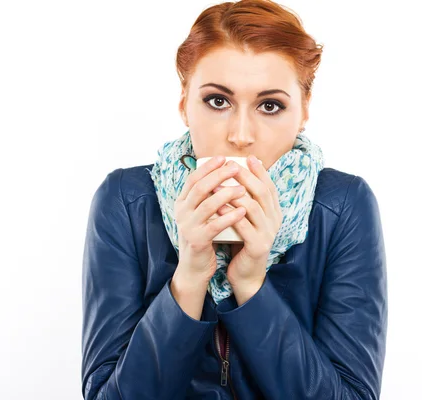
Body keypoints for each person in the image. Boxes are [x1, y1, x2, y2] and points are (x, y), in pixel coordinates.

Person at [81, 0, 387, 399]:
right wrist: (189, 276)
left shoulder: (343, 205)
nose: (241, 135)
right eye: (218, 101)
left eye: (270, 105)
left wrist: (251, 282)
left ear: (303, 111)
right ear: (184, 104)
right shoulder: (125, 200)